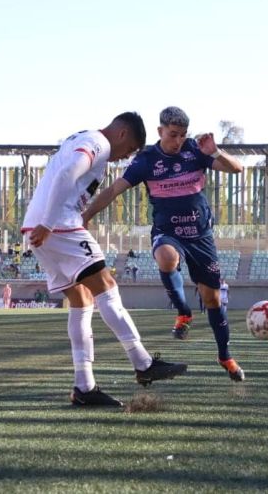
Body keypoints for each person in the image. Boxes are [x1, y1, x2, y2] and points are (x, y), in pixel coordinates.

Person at [23, 111, 187, 406]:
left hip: (39, 226)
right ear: (122, 134)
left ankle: (84, 387)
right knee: (107, 286)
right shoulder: (98, 142)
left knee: (82, 299)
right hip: (57, 224)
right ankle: (143, 363)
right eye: (128, 151)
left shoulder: (82, 137)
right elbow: (67, 172)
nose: (122, 157)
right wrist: (49, 222)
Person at [82, 106, 245, 382]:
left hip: (201, 236)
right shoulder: (147, 160)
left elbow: (237, 169)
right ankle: (183, 312)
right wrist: (85, 216)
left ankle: (225, 356)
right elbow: (113, 190)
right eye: (173, 135)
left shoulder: (195, 151)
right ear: (160, 131)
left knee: (213, 298)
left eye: (182, 135)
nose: (178, 140)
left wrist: (215, 152)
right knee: (167, 258)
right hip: (168, 231)